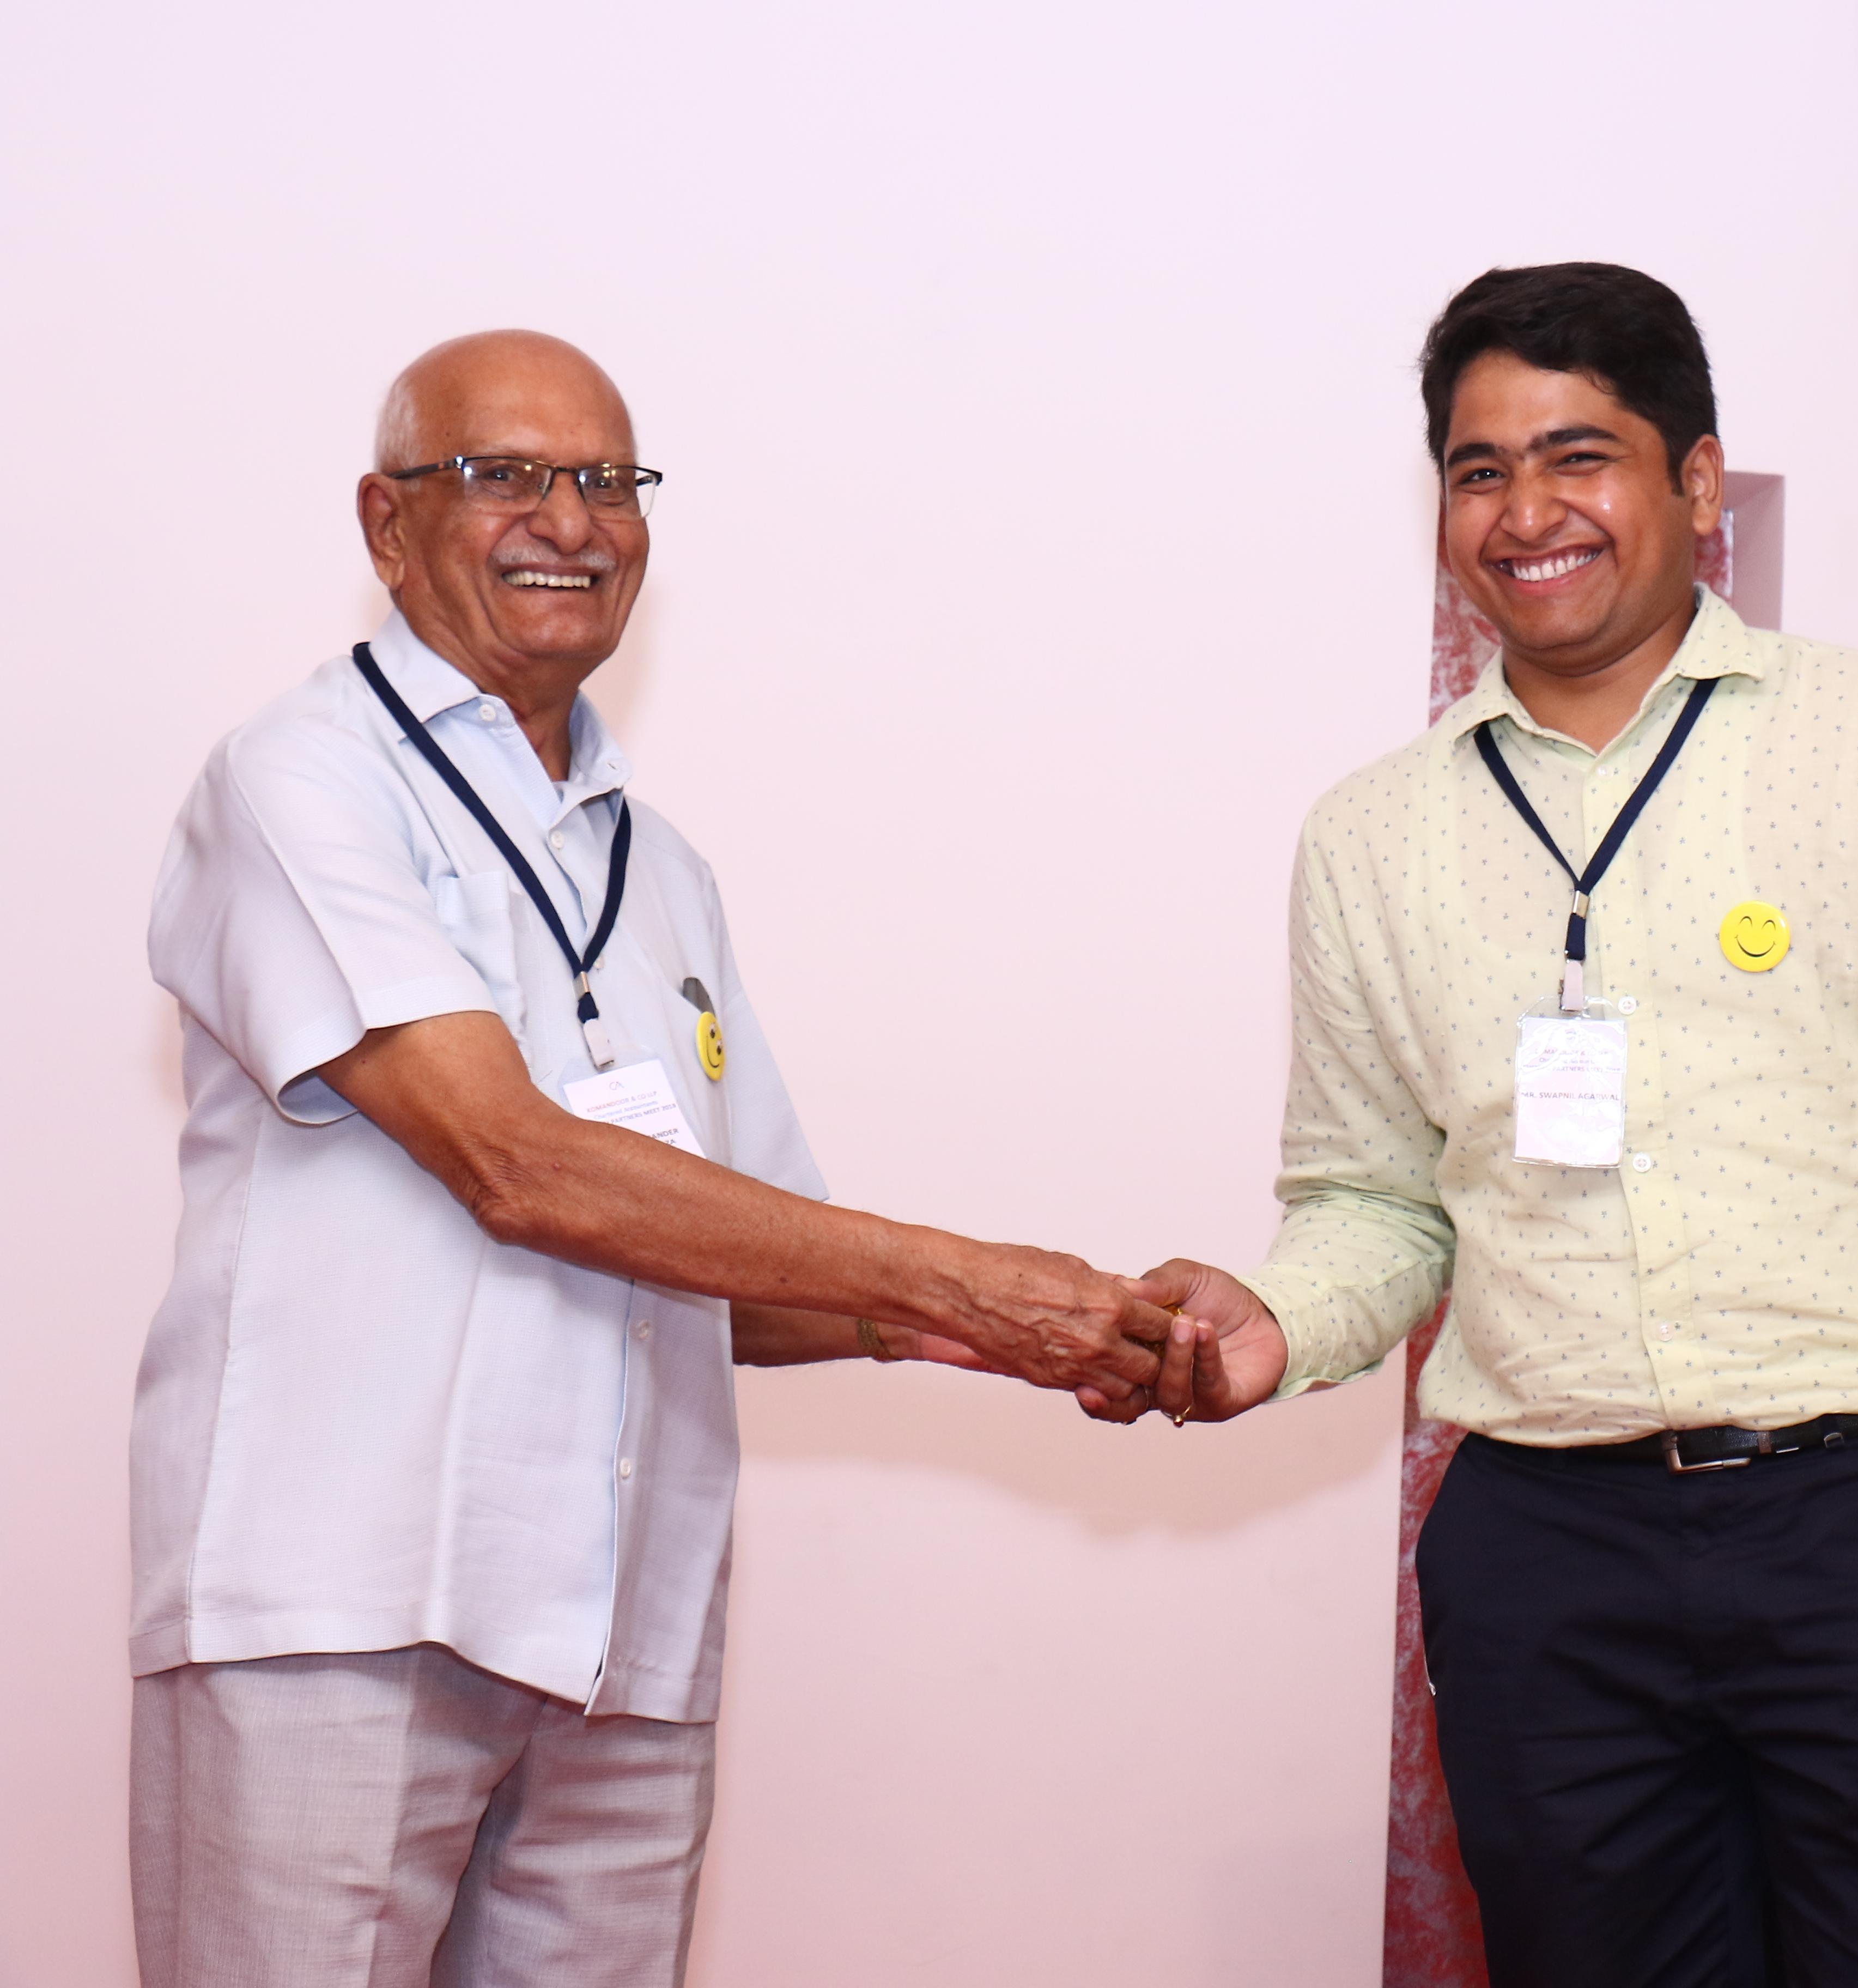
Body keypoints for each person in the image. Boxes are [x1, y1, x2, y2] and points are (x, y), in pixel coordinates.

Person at [1121, 264, 1858, 1986]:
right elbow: (1380, 1205)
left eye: (1578, 455)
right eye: (1481, 469)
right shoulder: (1369, 839)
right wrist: (1274, 1323)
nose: (1527, 511)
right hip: (1547, 1567)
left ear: (1700, 483)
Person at [131, 330, 1171, 1988]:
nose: (572, 520)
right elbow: (514, 1164)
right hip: (345, 1608)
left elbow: (756, 1270)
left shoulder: (663, 870)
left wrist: (1035, 1331)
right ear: (388, 523)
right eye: (506, 475)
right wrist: (967, 1280)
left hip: (628, 1643)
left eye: (609, 481)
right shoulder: (300, 776)